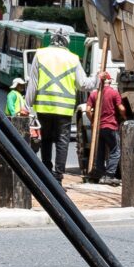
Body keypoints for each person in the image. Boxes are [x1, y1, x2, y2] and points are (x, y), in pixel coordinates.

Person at [30, 35, 84, 177]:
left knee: (46, 140)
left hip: (43, 107)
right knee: (62, 142)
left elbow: (33, 83)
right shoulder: (73, 58)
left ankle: (46, 173)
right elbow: (83, 84)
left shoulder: (40, 54)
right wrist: (98, 78)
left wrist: (27, 106)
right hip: (64, 109)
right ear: (66, 43)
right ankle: (58, 177)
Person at [88, 69, 124, 182]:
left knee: (100, 151)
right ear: (109, 80)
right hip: (110, 126)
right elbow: (121, 108)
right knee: (115, 150)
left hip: (98, 128)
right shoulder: (113, 93)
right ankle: (109, 175)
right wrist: (124, 117)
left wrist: (93, 120)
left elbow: (88, 110)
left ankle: (100, 174)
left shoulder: (94, 94)